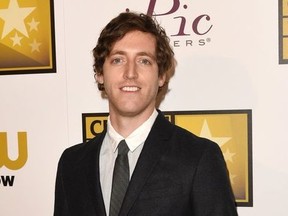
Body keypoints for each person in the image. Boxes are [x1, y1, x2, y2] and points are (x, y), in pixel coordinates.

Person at [54, 11, 238, 216]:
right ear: (99, 73)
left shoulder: (198, 158)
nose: (130, 73)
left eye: (144, 61)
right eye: (117, 60)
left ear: (161, 76)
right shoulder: (71, 164)